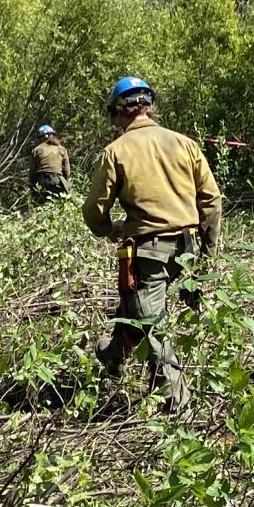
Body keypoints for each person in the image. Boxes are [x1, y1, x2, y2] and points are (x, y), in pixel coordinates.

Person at [81, 75, 221, 415]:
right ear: (149, 106)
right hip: (188, 247)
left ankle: (177, 404)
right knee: (139, 306)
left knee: (150, 324)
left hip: (149, 252)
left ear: (119, 112)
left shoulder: (116, 151)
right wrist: (208, 253)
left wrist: (107, 229)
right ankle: (113, 354)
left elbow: (93, 210)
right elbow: (212, 202)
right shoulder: (185, 144)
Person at [27, 124, 70, 205]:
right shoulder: (61, 149)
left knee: (40, 205)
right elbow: (67, 170)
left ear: (41, 138)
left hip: (41, 180)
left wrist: (32, 187)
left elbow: (32, 172)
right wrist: (66, 182)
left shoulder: (36, 150)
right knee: (60, 204)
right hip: (57, 180)